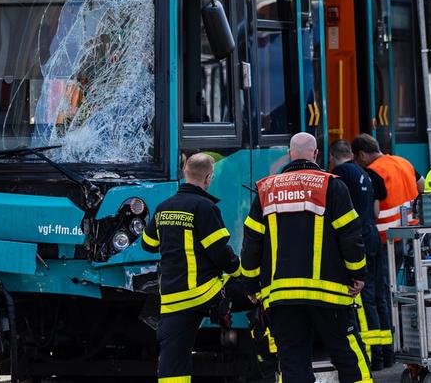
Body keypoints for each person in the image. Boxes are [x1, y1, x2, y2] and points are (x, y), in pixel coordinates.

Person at [241, 133, 372, 383]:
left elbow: (251, 244)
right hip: (329, 293)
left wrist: (250, 286)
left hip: (281, 296)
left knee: (292, 362)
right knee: (347, 355)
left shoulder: (266, 189)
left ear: (290, 154)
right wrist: (358, 274)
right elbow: (350, 236)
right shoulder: (333, 185)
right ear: (316, 154)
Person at [142, 153, 241, 383]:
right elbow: (220, 253)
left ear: (185, 173)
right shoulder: (205, 207)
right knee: (255, 293)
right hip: (203, 293)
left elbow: (148, 245)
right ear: (208, 178)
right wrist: (240, 272)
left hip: (172, 298)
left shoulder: (163, 207)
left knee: (173, 361)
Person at [351, 133, 423, 368]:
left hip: (383, 239)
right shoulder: (403, 162)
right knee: (393, 291)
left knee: (380, 294)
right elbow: (422, 185)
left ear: (362, 154)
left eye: (357, 159)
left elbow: (371, 208)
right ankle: (396, 343)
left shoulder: (373, 172)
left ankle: (385, 348)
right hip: (406, 234)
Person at [329, 139, 389, 370]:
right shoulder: (364, 173)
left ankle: (372, 357)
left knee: (363, 300)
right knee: (378, 296)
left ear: (332, 157)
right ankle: (386, 353)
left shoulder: (341, 174)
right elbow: (375, 210)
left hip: (359, 240)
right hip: (372, 235)